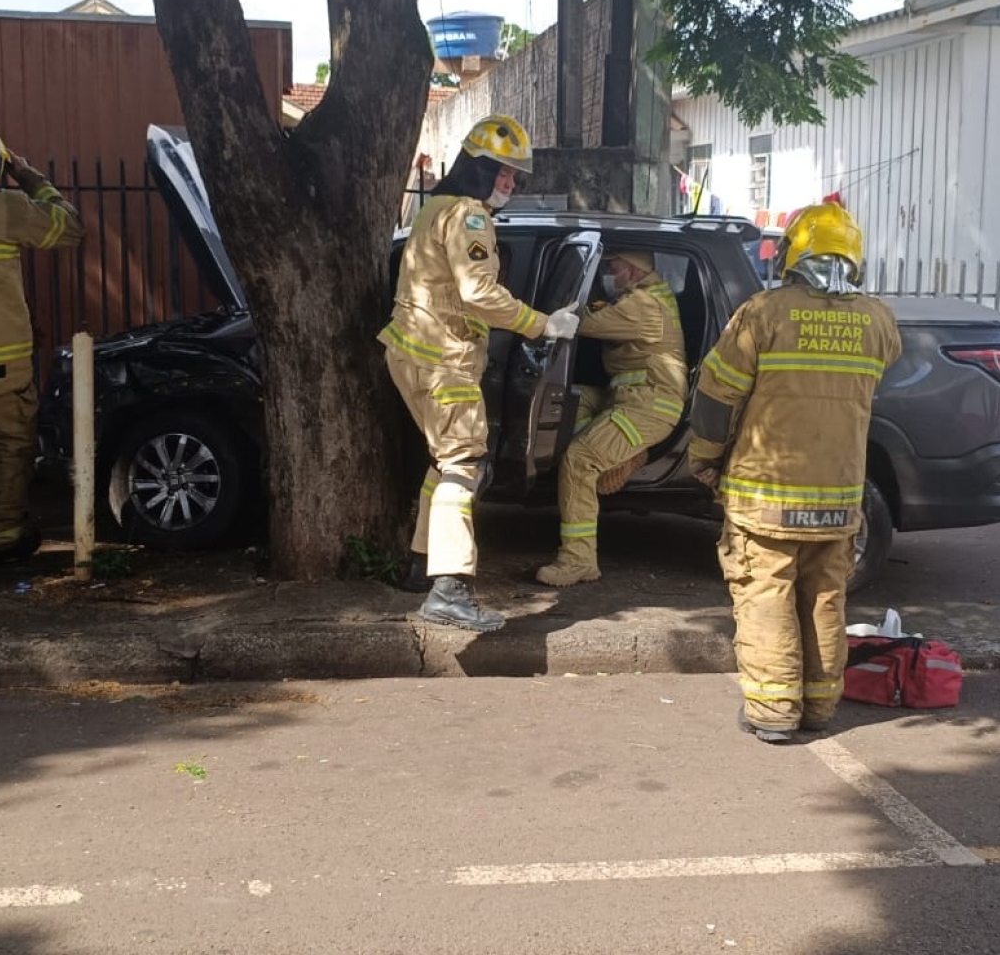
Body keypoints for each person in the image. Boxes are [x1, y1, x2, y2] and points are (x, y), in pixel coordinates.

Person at [687, 202, 901, 743]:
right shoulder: (878, 320)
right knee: (826, 597)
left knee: (766, 592)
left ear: (792, 254)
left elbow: (716, 398)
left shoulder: (763, 313)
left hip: (767, 494)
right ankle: (821, 707)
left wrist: (706, 459)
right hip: (839, 499)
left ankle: (773, 711)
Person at [378, 114, 579, 632]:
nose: (509, 184)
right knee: (466, 466)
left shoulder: (434, 209)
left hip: (413, 352)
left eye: (515, 177)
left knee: (443, 465)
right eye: (503, 173)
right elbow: (479, 293)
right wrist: (543, 325)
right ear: (479, 168)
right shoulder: (470, 216)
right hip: (444, 359)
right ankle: (450, 589)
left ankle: (422, 567)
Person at [0, 114, 85, 565]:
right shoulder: (6, 207)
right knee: (8, 451)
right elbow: (69, 227)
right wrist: (31, 178)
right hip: (3, 370)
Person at [536, 250, 688, 587]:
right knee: (566, 400)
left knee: (579, 461)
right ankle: (621, 453)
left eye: (612, 266)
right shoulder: (643, 297)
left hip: (648, 406)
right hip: (628, 397)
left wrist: (545, 313)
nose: (607, 272)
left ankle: (578, 560)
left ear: (634, 271)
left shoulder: (643, 305)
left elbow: (584, 325)